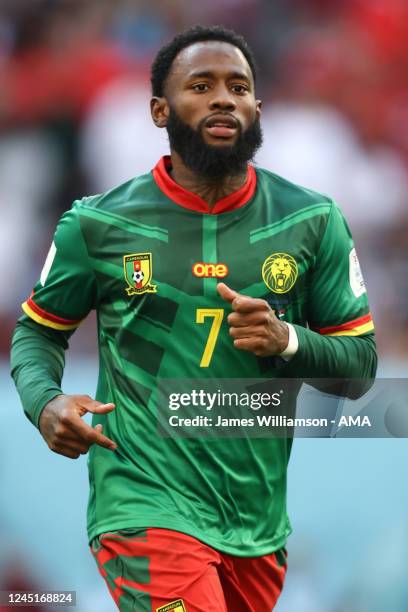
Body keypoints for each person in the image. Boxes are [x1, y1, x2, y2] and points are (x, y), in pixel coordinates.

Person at [11, 25, 377, 612]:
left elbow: (358, 369)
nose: (223, 99)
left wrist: (288, 342)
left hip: (255, 525)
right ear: (160, 110)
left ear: (258, 106)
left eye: (238, 86)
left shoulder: (313, 221)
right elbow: (37, 332)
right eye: (200, 86)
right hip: (142, 505)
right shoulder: (98, 224)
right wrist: (44, 400)